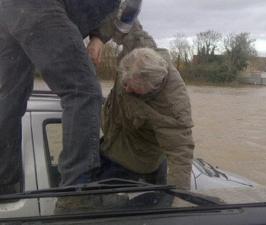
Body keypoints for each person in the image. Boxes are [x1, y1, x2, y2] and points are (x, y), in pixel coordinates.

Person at [0, 0, 141, 194]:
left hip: (7, 9)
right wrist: (100, 36)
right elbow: (128, 12)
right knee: (83, 91)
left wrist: (98, 37)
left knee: (8, 100)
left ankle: (5, 183)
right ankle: (77, 191)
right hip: (39, 7)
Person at [100, 48, 195, 190]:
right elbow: (125, 28)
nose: (126, 89)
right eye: (124, 83)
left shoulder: (174, 109)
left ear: (153, 88)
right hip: (107, 146)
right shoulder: (135, 60)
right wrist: (97, 39)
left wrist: (179, 201)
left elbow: (181, 155)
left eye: (133, 88)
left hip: (135, 166)